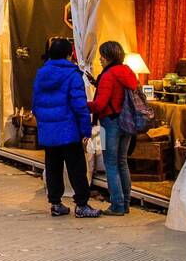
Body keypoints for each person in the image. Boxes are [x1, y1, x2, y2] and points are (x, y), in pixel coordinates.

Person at [32, 36, 100, 218]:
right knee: (76, 168)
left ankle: (55, 203)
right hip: (69, 130)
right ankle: (82, 204)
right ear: (69, 55)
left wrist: (45, 123)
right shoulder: (72, 74)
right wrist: (85, 130)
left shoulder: (41, 74)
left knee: (53, 167)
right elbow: (79, 105)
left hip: (49, 131)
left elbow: (35, 104)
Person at [88, 40, 138, 215]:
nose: (100, 59)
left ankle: (116, 204)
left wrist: (84, 105)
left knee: (111, 163)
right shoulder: (127, 72)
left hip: (111, 121)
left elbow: (100, 104)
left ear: (109, 57)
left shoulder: (109, 75)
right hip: (127, 122)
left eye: (103, 56)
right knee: (122, 162)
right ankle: (125, 203)